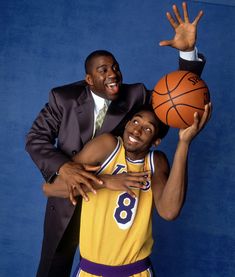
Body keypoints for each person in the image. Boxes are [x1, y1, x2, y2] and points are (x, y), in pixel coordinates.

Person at [25, 2, 206, 277]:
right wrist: (65, 168)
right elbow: (35, 140)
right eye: (103, 70)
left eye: (115, 67)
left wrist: (187, 54)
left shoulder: (134, 97)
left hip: (117, 205)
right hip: (70, 193)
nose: (112, 74)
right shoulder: (63, 98)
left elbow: (177, 99)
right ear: (89, 79)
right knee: (53, 268)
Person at [43, 104, 211, 277]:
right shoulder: (108, 146)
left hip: (136, 271)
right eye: (135, 122)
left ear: (156, 141)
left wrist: (184, 143)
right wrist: (105, 181)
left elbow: (169, 211)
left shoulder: (155, 162)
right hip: (91, 270)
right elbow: (51, 188)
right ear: (127, 124)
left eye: (147, 128)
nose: (136, 131)